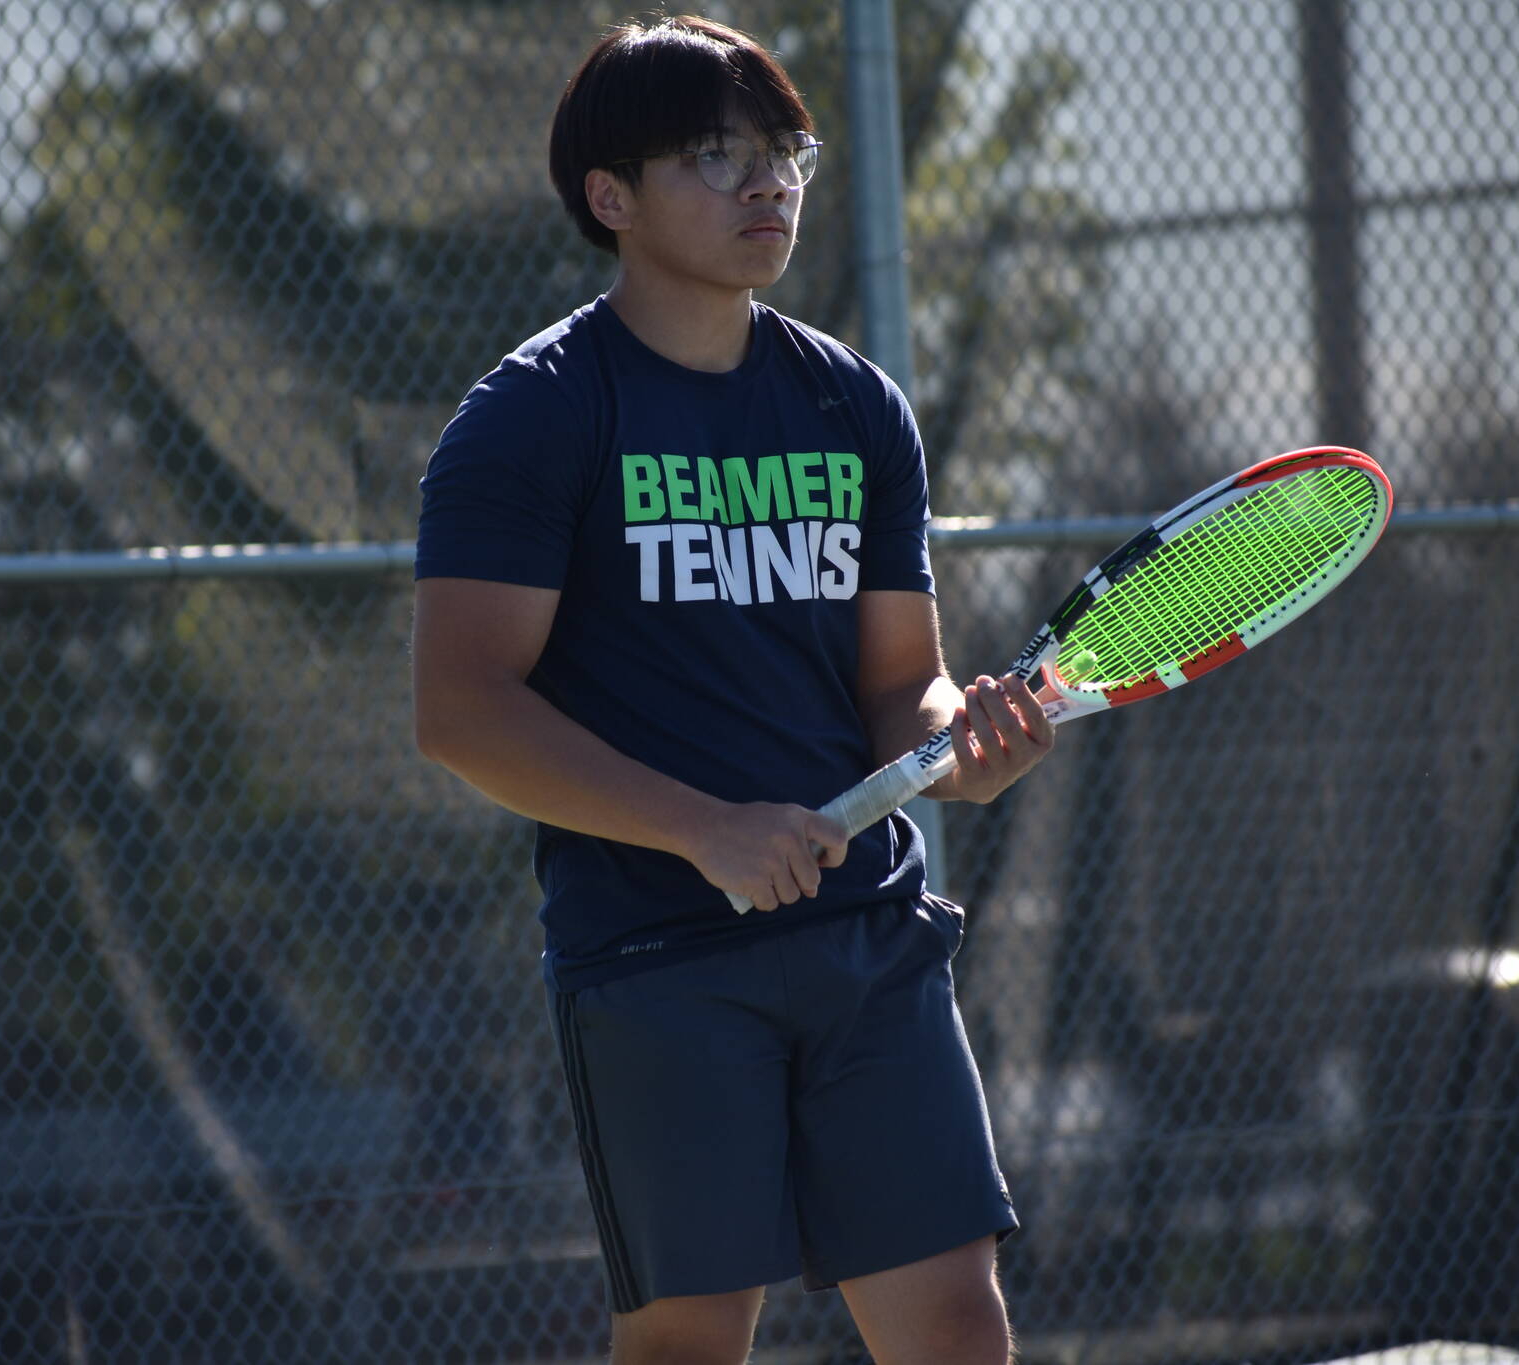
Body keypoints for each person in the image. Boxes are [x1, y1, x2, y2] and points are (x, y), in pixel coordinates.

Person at [412, 15, 1055, 1364]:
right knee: (689, 1342)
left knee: (955, 1321)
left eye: (783, 152)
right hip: (655, 962)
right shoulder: (534, 415)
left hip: (869, 943)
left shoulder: (855, 407)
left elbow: (903, 687)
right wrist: (706, 826)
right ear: (611, 198)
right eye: (717, 155)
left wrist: (963, 745)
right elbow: (463, 709)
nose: (769, 183)